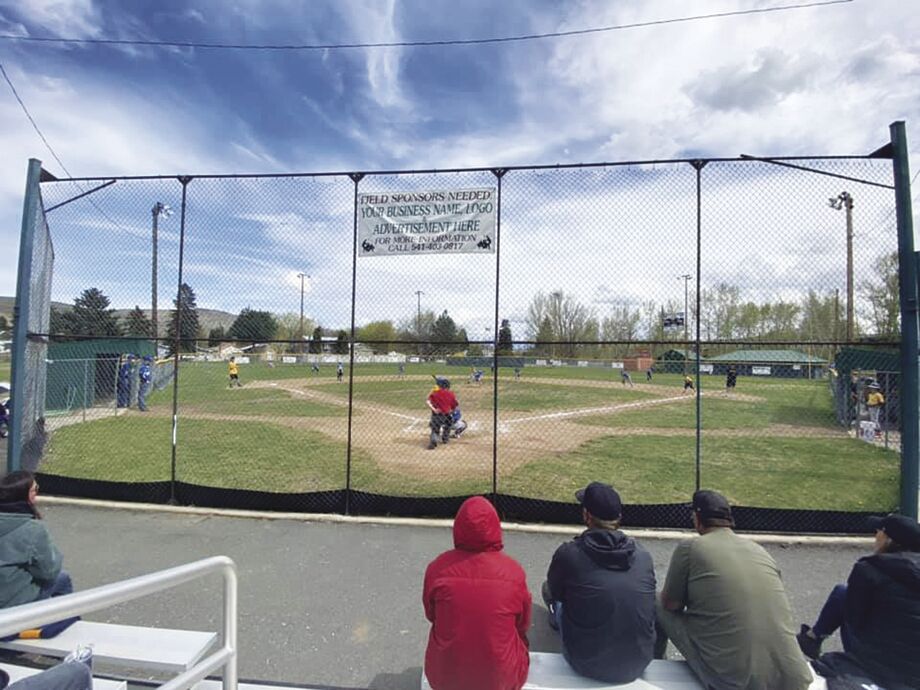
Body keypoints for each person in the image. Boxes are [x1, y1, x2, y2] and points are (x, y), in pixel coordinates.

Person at [656, 490, 812, 690]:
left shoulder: (691, 547)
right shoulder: (758, 550)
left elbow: (670, 604)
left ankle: (655, 667)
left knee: (656, 600)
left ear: (697, 518)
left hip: (734, 682)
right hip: (794, 679)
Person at [543, 482, 656, 683]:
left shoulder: (569, 553)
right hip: (638, 662)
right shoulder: (643, 555)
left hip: (586, 663)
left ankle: (556, 621)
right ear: (618, 518)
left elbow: (556, 592)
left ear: (586, 515)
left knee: (549, 591)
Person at [798, 513, 920, 690]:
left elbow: (855, 620)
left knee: (843, 595)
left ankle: (813, 637)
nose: (875, 536)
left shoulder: (869, 568)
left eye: (878, 532)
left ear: (888, 539)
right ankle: (812, 638)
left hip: (879, 662)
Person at [423, 496, 531, 690]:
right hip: (501, 682)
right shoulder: (514, 572)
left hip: (445, 680)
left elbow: (431, 615)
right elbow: (522, 624)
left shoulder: (437, 568)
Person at [0, 472, 73, 609]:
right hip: (10, 605)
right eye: (34, 490)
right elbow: (49, 572)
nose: (36, 494)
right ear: (24, 495)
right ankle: (64, 624)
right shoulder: (33, 530)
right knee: (62, 579)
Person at [426, 376, 458, 450]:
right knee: (448, 426)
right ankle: (445, 439)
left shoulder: (435, 393)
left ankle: (434, 441)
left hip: (437, 415)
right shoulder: (451, 394)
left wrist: (434, 409)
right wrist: (451, 411)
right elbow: (454, 406)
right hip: (447, 415)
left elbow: (428, 402)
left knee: (435, 429)